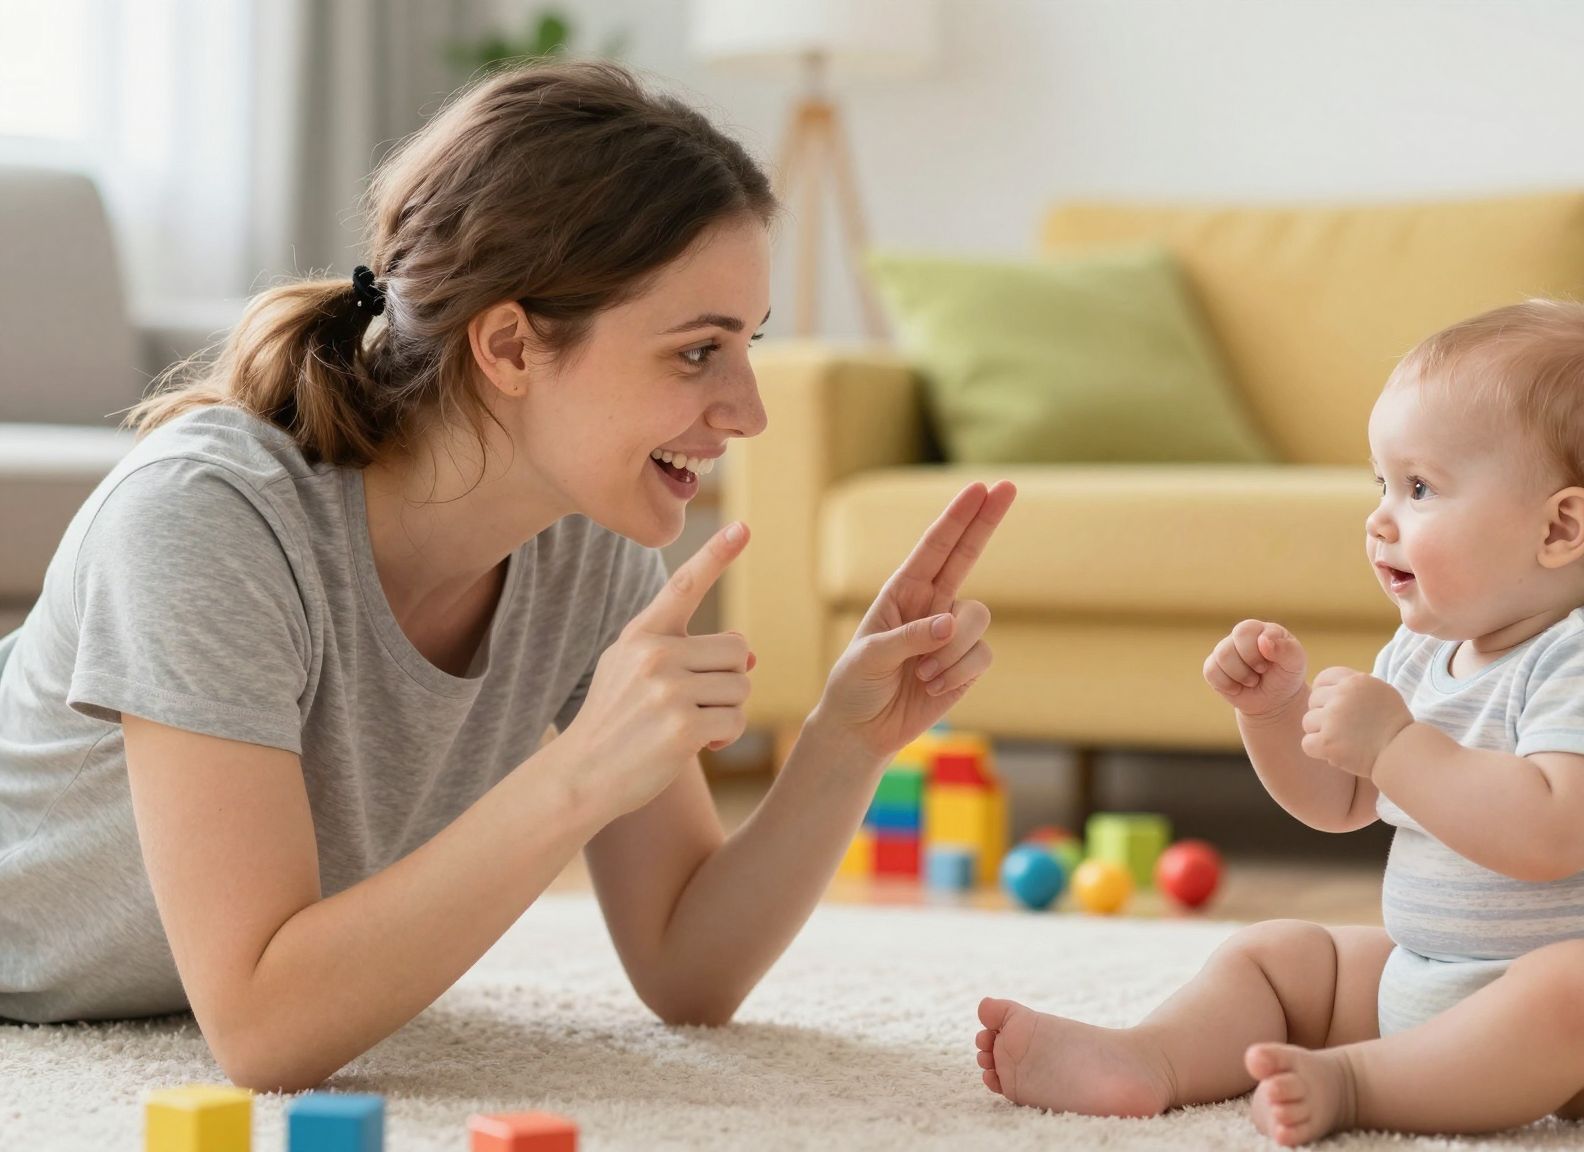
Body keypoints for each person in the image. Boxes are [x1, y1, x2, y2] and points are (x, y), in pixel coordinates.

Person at [0, 59, 1016, 1093]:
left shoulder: (592, 545)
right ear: (509, 345)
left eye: (745, 346)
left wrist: (841, 747)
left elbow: (686, 967)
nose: (748, 411)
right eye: (697, 352)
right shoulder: (210, 523)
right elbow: (263, 1030)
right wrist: (576, 774)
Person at [973, 300, 1584, 1144]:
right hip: (1431, 980)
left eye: (1421, 487)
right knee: (1283, 955)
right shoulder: (1419, 651)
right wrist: (1274, 713)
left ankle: (1358, 1086)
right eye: (1383, 485)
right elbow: (1339, 803)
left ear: (1559, 527)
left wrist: (1398, 744)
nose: (1380, 518)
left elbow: (1550, 834)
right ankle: (1152, 1058)